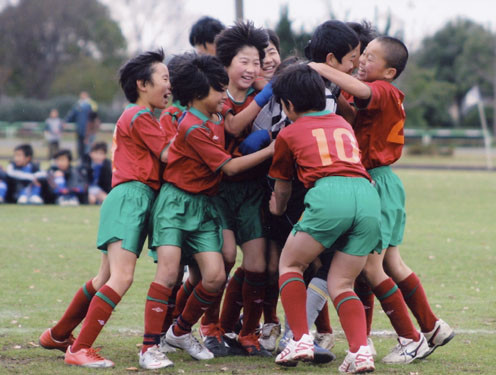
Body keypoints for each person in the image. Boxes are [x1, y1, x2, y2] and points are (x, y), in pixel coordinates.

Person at [310, 35, 454, 363]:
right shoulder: (372, 95)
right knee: (389, 264)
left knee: (371, 267)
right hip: (378, 181)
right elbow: (353, 110)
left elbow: (362, 92)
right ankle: (430, 328)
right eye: (362, 55)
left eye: (370, 57)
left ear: (389, 72)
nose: (362, 61)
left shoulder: (383, 91)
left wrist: (320, 68)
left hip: (376, 182)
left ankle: (412, 338)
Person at [39, 49, 174, 370]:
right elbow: (169, 154)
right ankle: (80, 347)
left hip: (128, 197)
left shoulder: (139, 115)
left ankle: (58, 336)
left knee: (105, 277)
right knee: (122, 277)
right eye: (165, 79)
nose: (170, 86)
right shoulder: (139, 116)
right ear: (143, 84)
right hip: (132, 197)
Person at [147, 53, 275, 360]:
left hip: (204, 205)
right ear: (196, 96)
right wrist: (271, 147)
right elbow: (229, 168)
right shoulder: (192, 126)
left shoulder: (216, 117)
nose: (224, 95)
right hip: (176, 204)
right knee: (168, 274)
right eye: (218, 90)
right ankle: (149, 346)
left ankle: (178, 332)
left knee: (216, 275)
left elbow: (233, 119)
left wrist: (265, 83)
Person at [268, 63, 380, 373]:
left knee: (290, 264)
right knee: (342, 283)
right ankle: (360, 352)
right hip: (368, 196)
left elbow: (283, 187)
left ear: (288, 104)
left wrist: (277, 208)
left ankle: (300, 338)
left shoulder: (288, 133)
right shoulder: (342, 124)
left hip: (330, 194)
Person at [213, 20, 274, 356]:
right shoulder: (216, 94)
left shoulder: (261, 93)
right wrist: (267, 93)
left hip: (251, 190)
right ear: (227, 63)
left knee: (258, 265)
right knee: (221, 260)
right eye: (244, 62)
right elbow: (233, 124)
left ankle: (247, 333)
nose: (251, 69)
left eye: (256, 62)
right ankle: (210, 328)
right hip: (219, 191)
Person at [66, 91, 92, 161]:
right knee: (79, 145)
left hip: (87, 130)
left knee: (86, 146)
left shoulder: (89, 106)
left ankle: (85, 159)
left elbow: (92, 117)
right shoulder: (78, 105)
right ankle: (80, 159)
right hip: (79, 129)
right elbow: (72, 114)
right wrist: (66, 121)